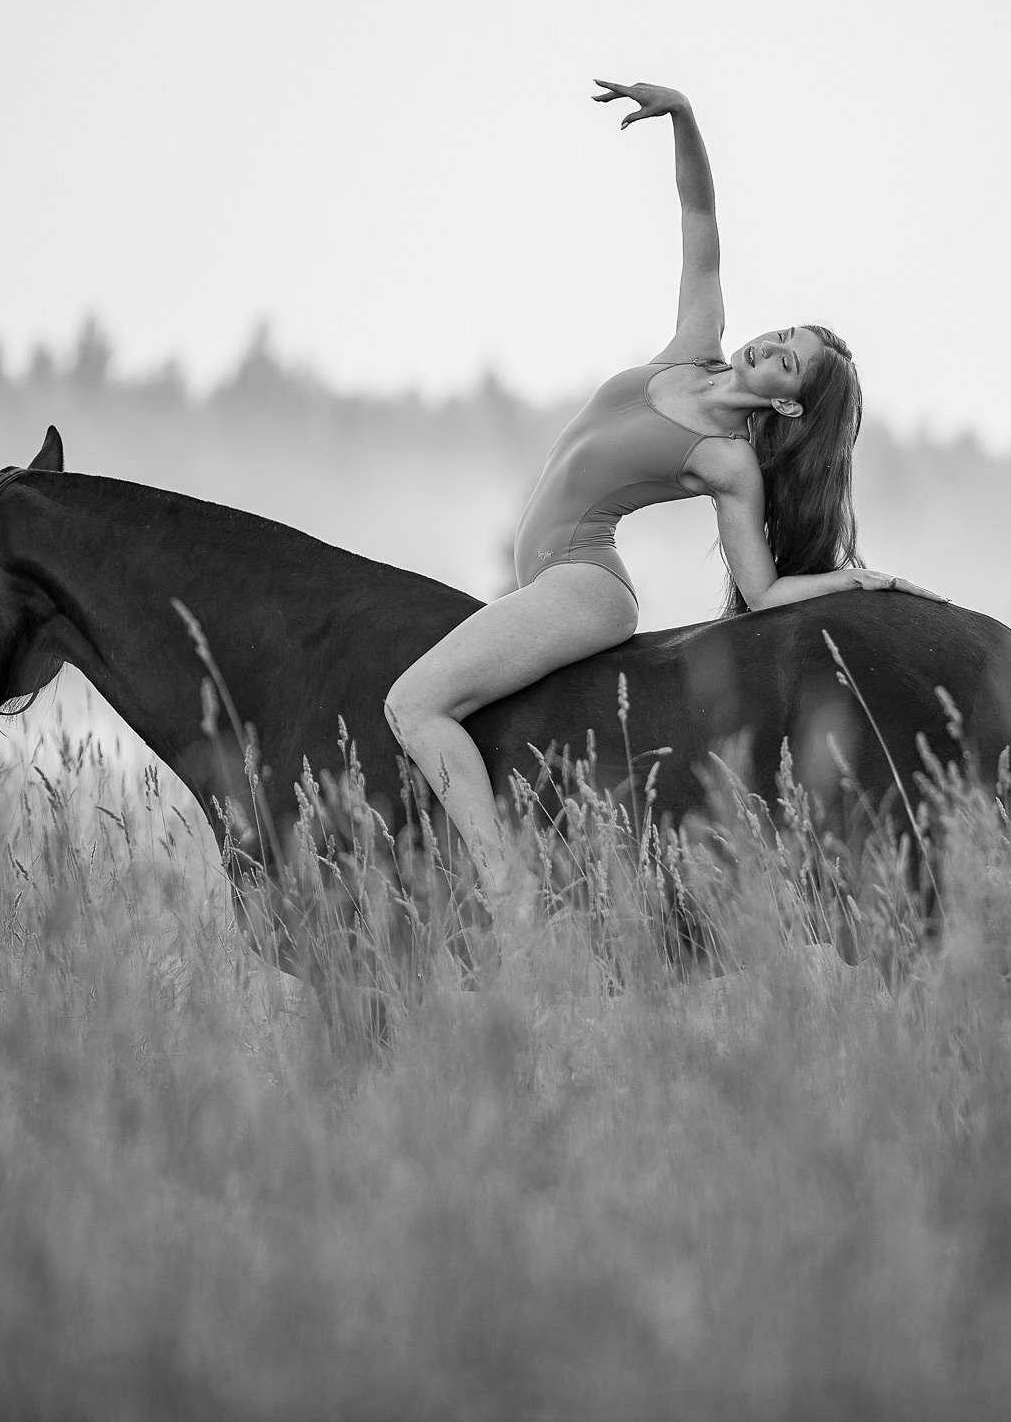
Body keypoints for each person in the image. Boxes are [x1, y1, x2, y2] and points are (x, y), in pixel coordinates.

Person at [384, 80, 943, 915]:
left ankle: (506, 894)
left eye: (786, 362)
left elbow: (762, 592)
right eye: (782, 334)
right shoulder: (694, 344)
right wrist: (683, 114)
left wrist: (857, 580)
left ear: (789, 406)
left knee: (413, 703)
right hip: (544, 580)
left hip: (584, 586)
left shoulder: (728, 462)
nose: (768, 345)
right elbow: (698, 216)